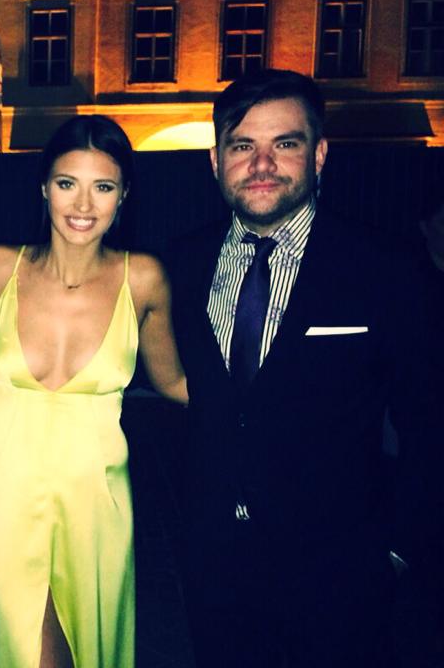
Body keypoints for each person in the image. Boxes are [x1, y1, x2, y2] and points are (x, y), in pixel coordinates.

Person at [165, 69, 441, 667]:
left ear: (318, 155)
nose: (261, 164)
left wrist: (399, 550)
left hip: (342, 582)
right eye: (243, 146)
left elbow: (431, 423)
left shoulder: (386, 267)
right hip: (215, 578)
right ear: (215, 160)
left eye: (284, 143)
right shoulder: (177, 265)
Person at [0, 115, 187, 668]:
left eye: (102, 186)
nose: (83, 204)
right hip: (4, 503)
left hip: (94, 510)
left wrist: (284, 398)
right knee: (14, 648)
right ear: (44, 187)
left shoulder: (143, 279)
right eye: (67, 183)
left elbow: (176, 382)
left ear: (123, 195)